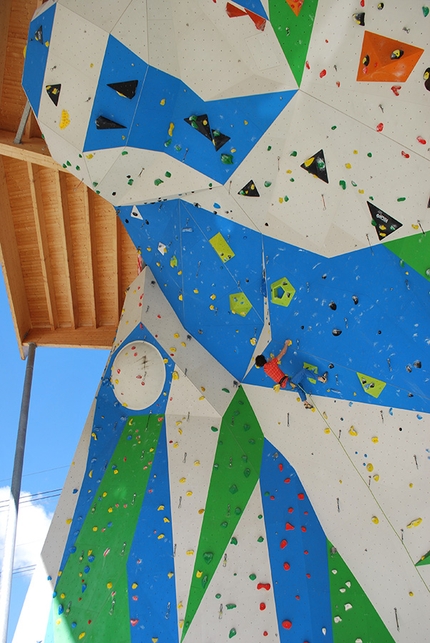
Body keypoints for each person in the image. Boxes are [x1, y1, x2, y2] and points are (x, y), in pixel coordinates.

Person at [255, 340, 328, 409]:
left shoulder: (265, 370)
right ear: (264, 359)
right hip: (288, 382)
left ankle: (305, 403)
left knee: (299, 387)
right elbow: (282, 353)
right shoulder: (271, 363)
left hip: (285, 385)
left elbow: (270, 367)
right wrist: (286, 343)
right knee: (303, 371)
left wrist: (269, 362)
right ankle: (321, 379)